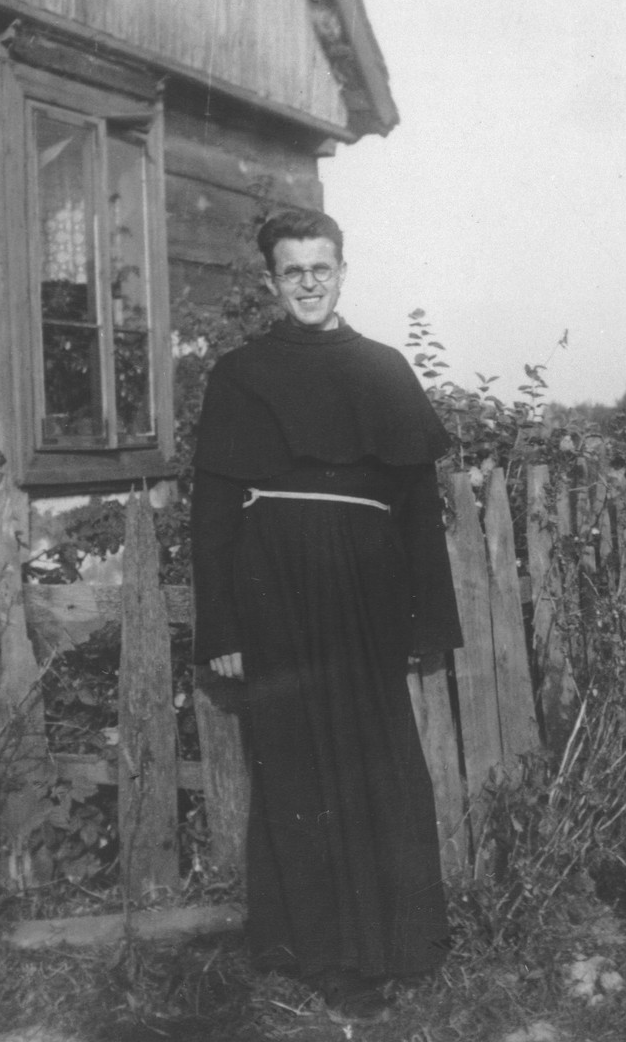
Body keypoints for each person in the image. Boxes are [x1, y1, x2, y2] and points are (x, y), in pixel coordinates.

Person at [191, 208, 464, 1016]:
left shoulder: (384, 370)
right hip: (272, 588)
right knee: (298, 764)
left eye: (321, 267)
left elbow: (416, 508)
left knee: (375, 759)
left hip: (369, 594)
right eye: (291, 271)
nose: (307, 283)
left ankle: (399, 941)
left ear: (341, 270)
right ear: (270, 281)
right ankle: (319, 954)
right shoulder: (239, 374)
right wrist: (224, 629)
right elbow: (210, 516)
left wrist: (428, 620)